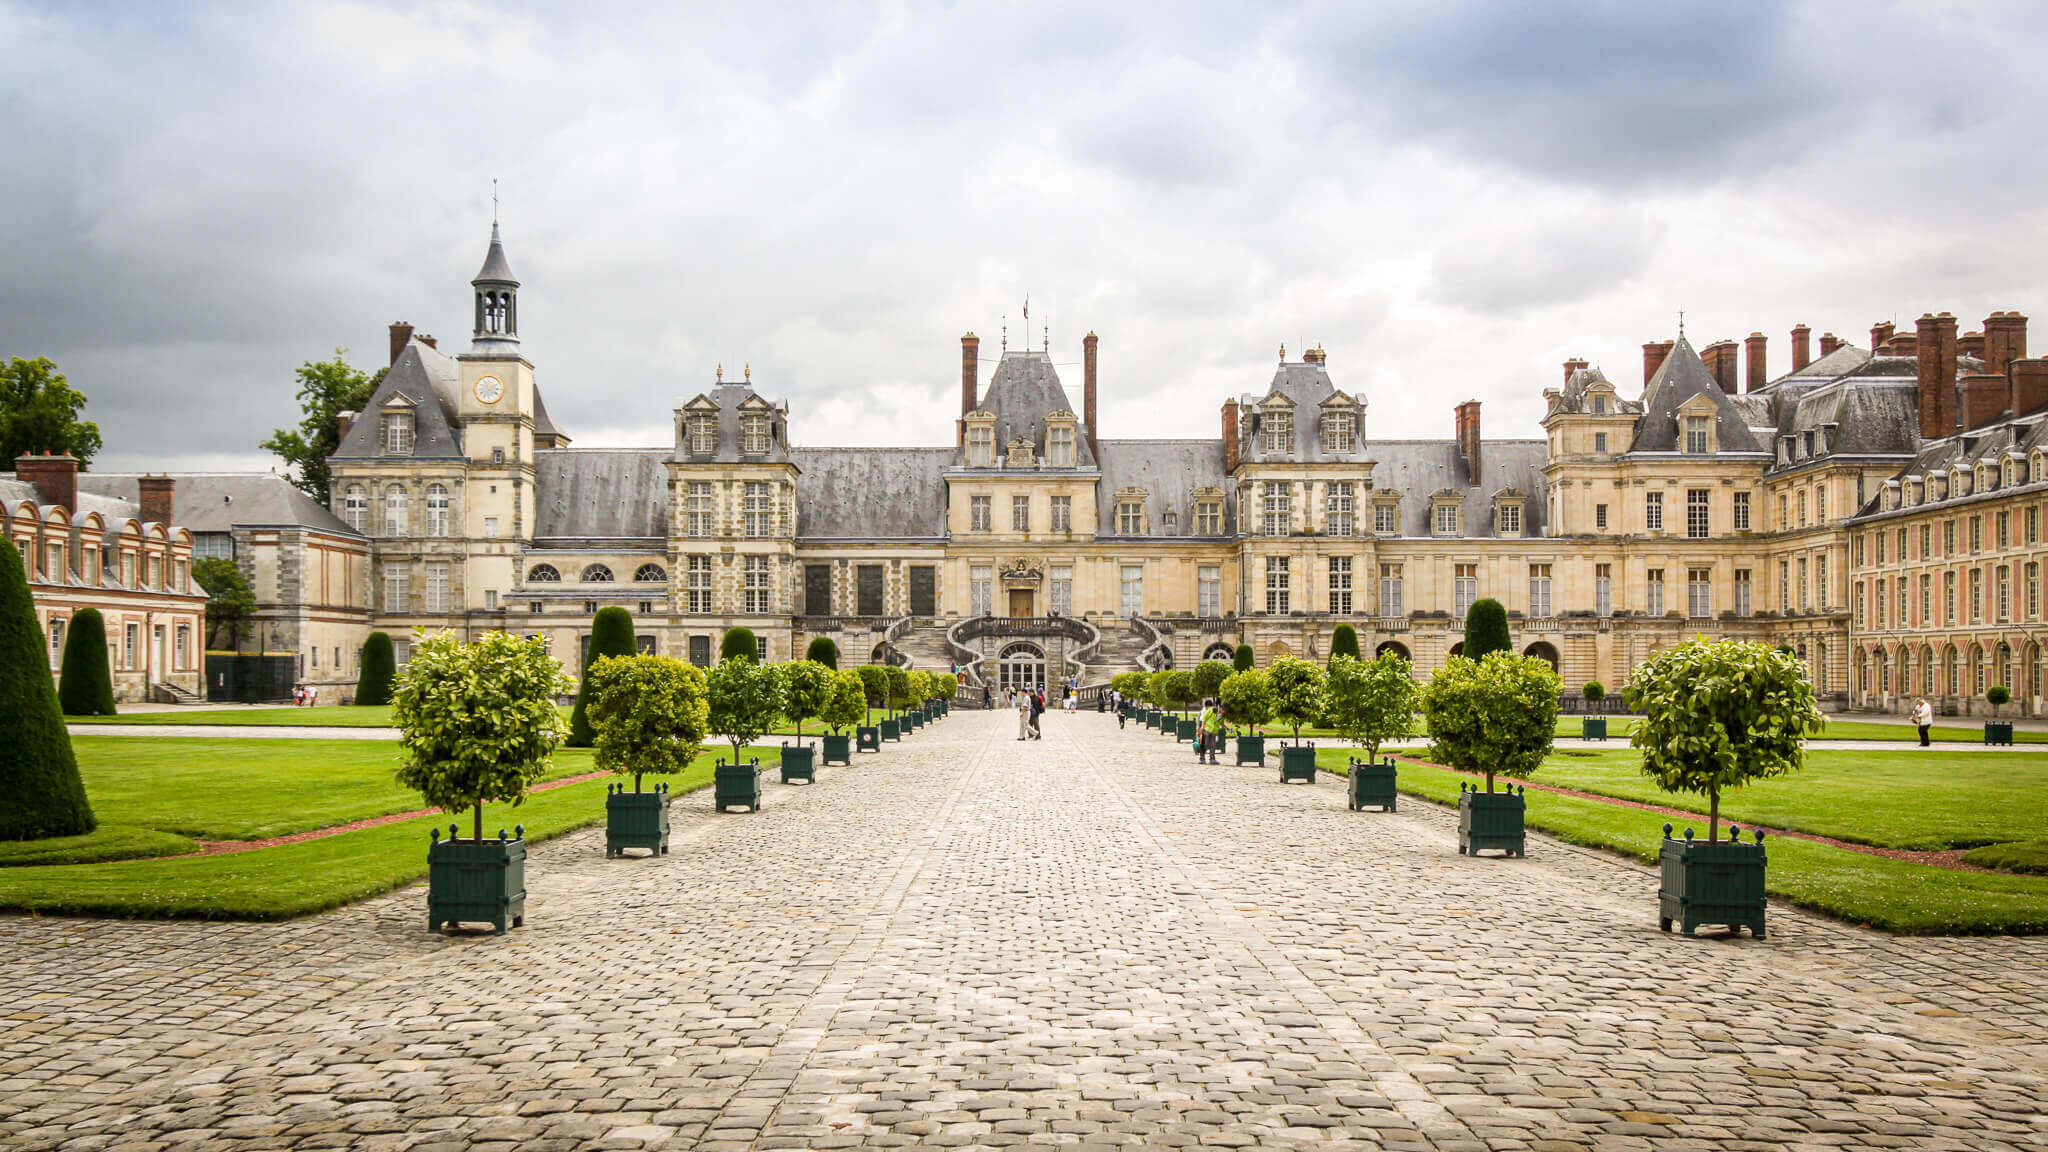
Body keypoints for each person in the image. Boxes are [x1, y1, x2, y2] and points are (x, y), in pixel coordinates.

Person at [1202, 699, 1226, 765]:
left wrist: (1228, 729)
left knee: (1213, 745)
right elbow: (1204, 718)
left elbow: (1221, 723)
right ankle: (1202, 758)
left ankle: (1212, 759)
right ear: (1220, 708)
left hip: (1214, 731)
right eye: (1223, 710)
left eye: (1225, 711)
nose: (1224, 712)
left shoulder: (1222, 715)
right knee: (1205, 744)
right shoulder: (1212, 710)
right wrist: (1202, 727)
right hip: (1207, 729)